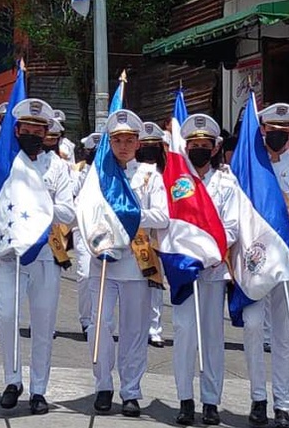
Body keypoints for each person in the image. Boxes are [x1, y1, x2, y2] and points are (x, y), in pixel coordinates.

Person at [82, 109, 168, 418]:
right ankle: (103, 385)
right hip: (103, 260)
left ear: (138, 143)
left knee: (135, 329)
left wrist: (128, 216)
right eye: (117, 140)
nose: (123, 146)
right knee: (100, 326)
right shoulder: (98, 174)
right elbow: (85, 214)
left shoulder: (148, 175)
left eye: (129, 140)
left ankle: (130, 390)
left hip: (137, 262)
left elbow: (162, 216)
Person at [0, 99, 75, 416]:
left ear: (47, 132)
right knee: (6, 316)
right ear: (17, 130)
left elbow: (69, 211)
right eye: (26, 128)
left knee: (43, 324)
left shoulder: (58, 167)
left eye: (38, 129)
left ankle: (39, 388)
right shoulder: (5, 164)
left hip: (47, 252)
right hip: (10, 253)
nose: (32, 133)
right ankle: (12, 380)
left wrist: (37, 206)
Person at [244, 103, 289, 428]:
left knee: (284, 335)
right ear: (262, 131)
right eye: (272, 131)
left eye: (284, 132)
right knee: (253, 325)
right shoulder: (250, 165)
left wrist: (285, 221)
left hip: (288, 259)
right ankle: (258, 397)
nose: (278, 137)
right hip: (256, 261)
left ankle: (282, 404)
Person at [173, 114, 240, 426]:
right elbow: (171, 223)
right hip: (184, 271)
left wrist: (210, 253)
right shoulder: (177, 181)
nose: (199, 150)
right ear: (185, 147)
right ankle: (185, 398)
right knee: (185, 333)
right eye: (194, 145)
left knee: (212, 336)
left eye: (205, 145)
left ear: (215, 149)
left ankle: (211, 400)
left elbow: (232, 227)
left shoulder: (227, 182)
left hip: (213, 271)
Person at [134, 122, 167, 349]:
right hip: (135, 238)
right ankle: (137, 326)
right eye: (144, 145)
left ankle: (154, 328)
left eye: (153, 146)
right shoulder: (135, 173)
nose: (148, 150)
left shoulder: (167, 173)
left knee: (155, 286)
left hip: (159, 236)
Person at [72, 132, 99, 339]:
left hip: (104, 230)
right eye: (93, 151)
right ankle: (86, 319)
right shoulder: (78, 171)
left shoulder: (111, 172)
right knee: (85, 273)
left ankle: (100, 319)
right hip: (82, 228)